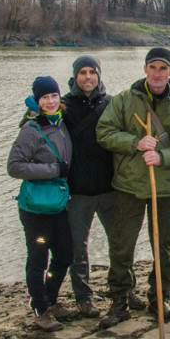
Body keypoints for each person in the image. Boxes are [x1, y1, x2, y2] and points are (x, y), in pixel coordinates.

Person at [95, 48, 170, 328]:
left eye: (163, 69)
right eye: (153, 67)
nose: (157, 73)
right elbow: (104, 132)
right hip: (129, 186)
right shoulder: (123, 101)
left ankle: (159, 297)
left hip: (166, 187)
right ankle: (120, 300)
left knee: (163, 245)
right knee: (121, 246)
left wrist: (164, 157)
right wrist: (136, 143)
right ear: (145, 69)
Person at [7, 76, 76, 332]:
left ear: (60, 97)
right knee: (38, 258)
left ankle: (51, 300)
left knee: (65, 254)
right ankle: (40, 308)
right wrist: (53, 169)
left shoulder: (60, 123)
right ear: (38, 101)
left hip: (57, 203)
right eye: (45, 97)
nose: (50, 101)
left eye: (54, 96)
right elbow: (13, 167)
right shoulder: (31, 129)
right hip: (35, 206)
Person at [61, 55, 114, 319]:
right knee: (77, 248)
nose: (88, 77)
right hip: (78, 190)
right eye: (82, 72)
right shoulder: (63, 106)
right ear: (75, 76)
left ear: (99, 75)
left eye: (92, 72)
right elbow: (38, 127)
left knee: (119, 244)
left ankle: (123, 292)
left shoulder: (111, 103)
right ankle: (83, 297)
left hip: (109, 188)